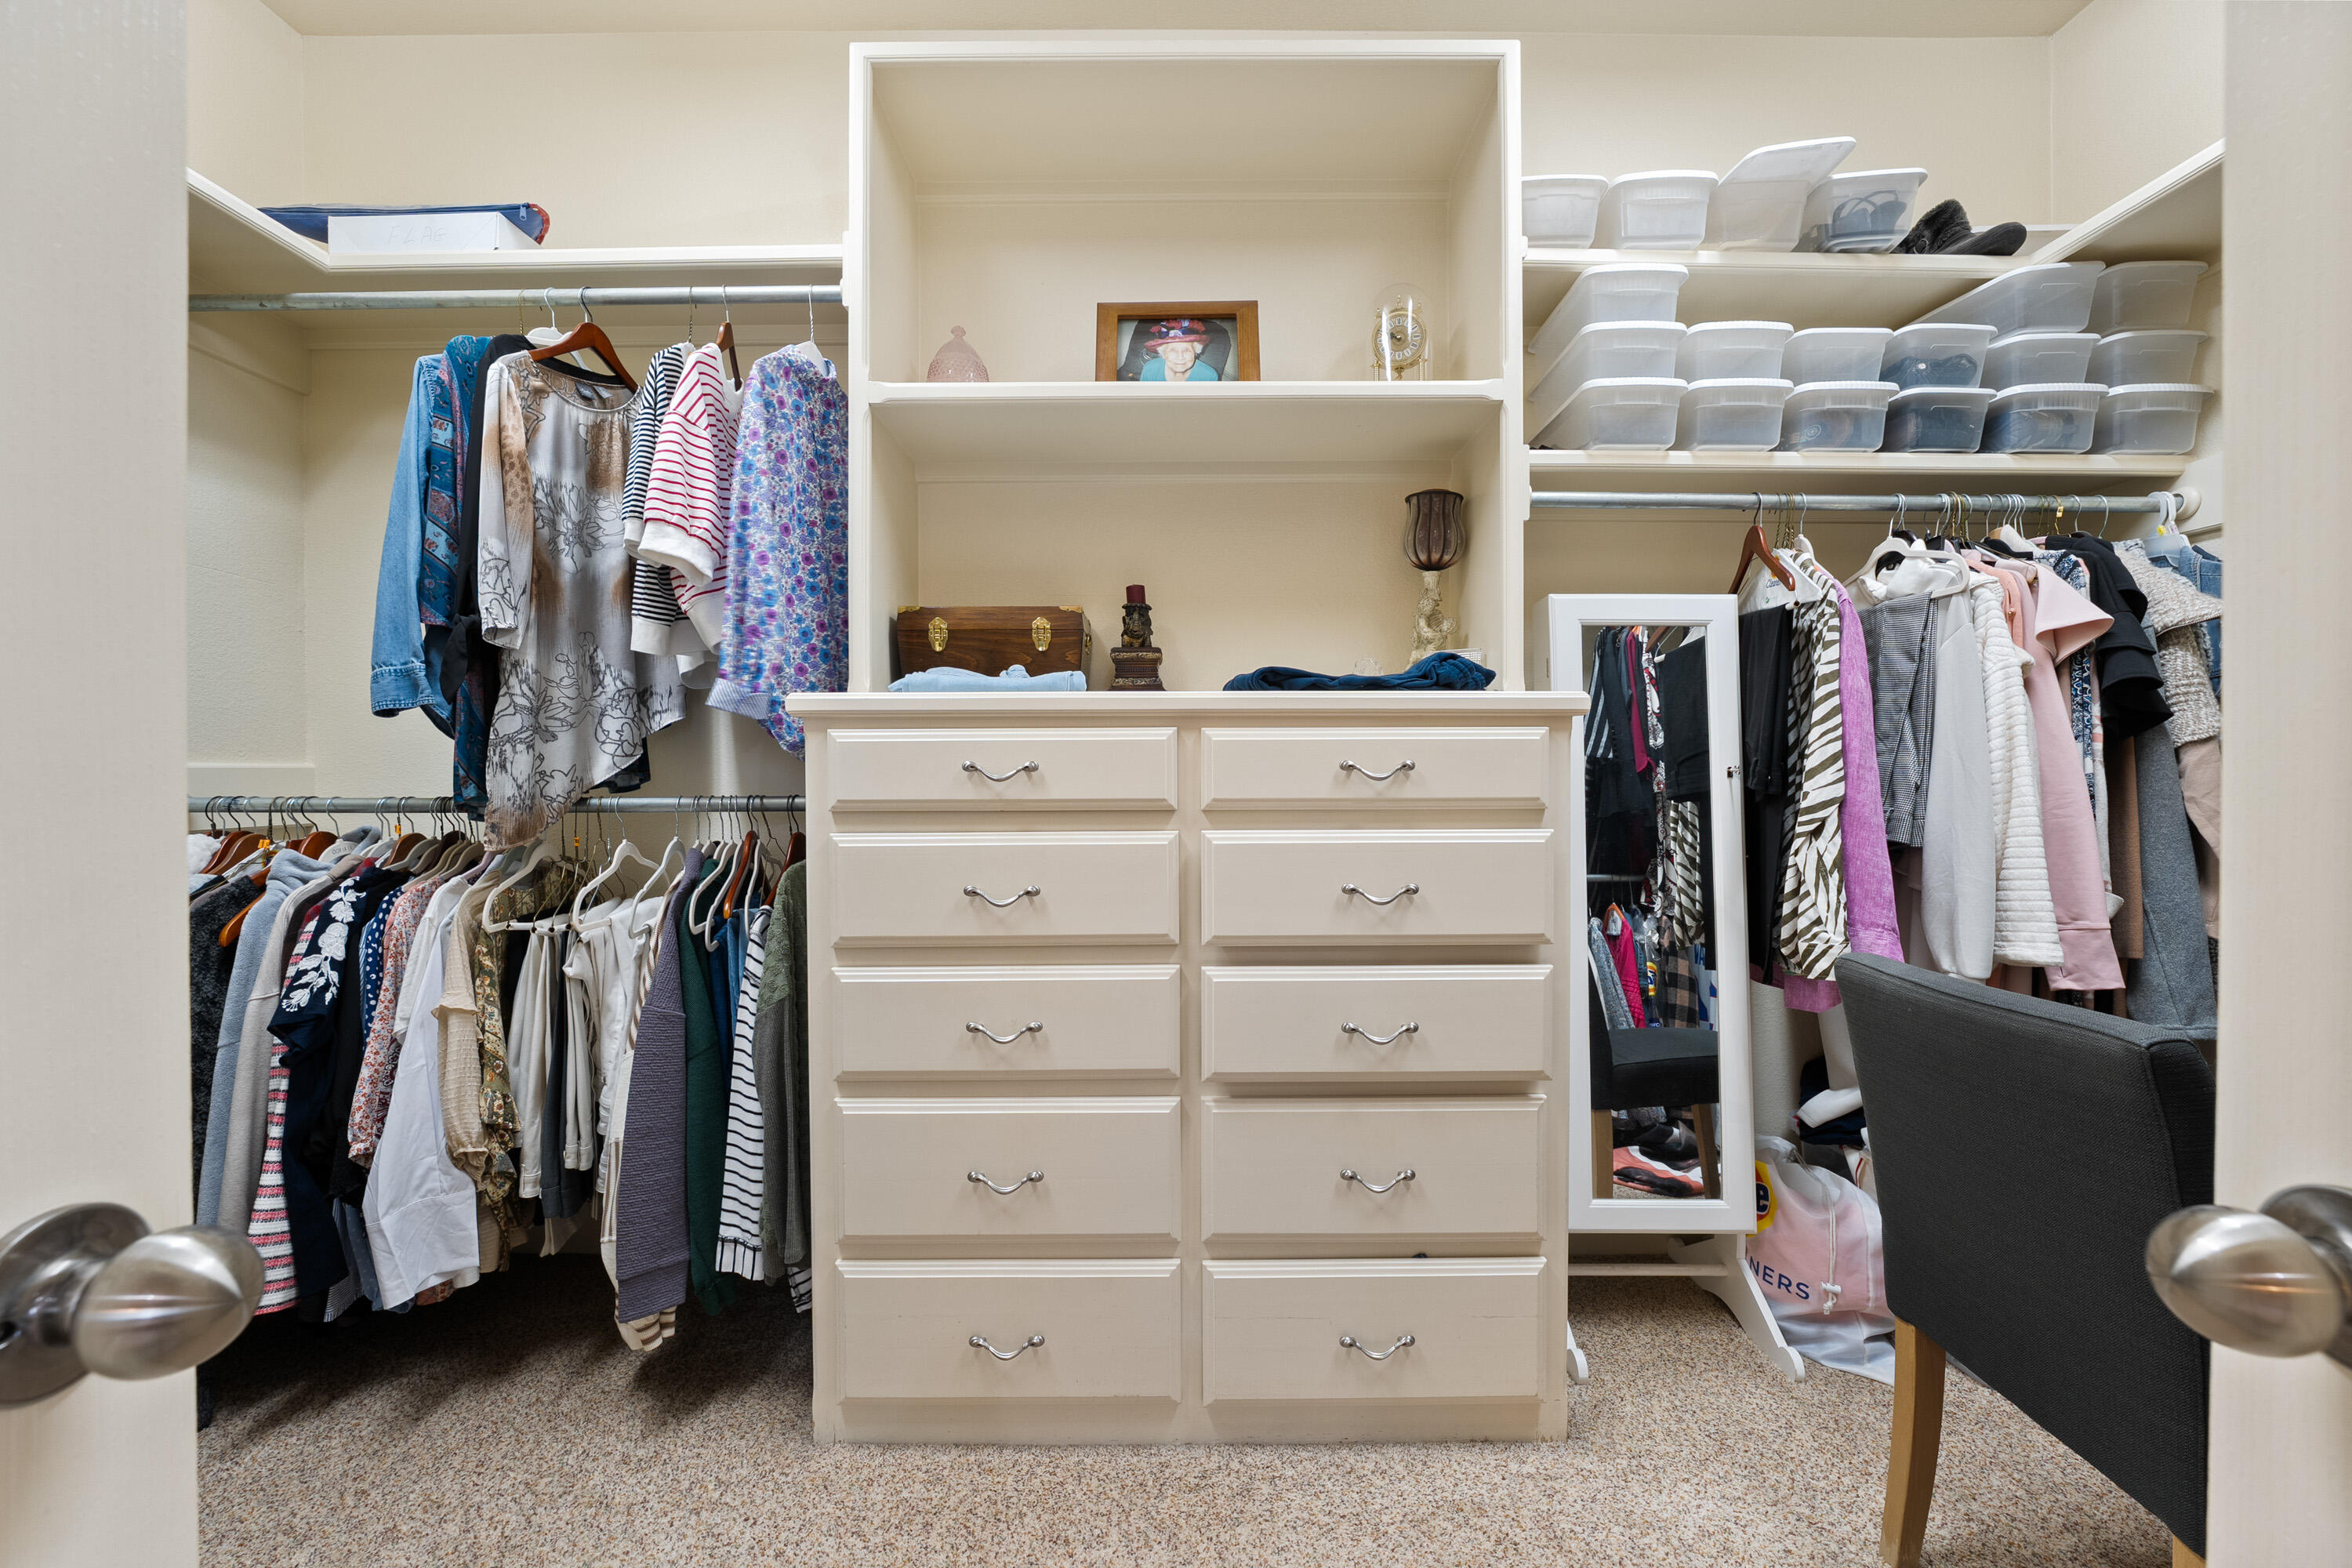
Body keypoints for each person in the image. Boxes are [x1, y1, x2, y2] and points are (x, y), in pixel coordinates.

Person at [1134, 319, 1222, 381]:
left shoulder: (1208, 376)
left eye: (1187, 350)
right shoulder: (1150, 370)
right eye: (1173, 350)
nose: (1180, 357)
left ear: (1196, 352)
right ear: (1164, 354)